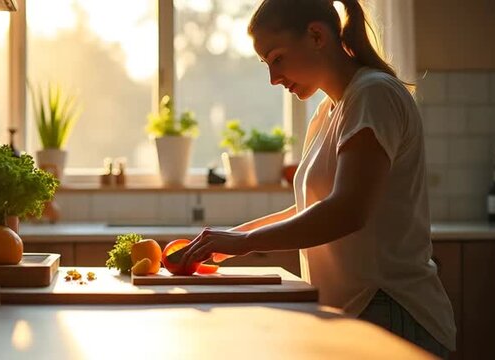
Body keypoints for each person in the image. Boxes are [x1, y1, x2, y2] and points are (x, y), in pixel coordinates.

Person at [177, 0, 455, 356]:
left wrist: (245, 242)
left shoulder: (373, 94)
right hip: (356, 308)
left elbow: (346, 211)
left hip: (389, 307)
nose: (273, 78)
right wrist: (231, 240)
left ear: (316, 35)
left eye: (277, 59)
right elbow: (313, 208)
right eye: (266, 64)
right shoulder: (329, 111)